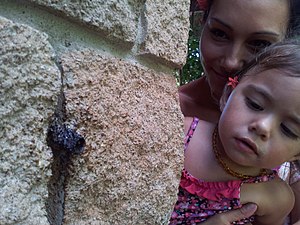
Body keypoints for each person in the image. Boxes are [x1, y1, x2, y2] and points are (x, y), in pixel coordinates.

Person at [179, 0, 300, 224]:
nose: (232, 62)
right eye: (219, 33)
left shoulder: (279, 189)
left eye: (260, 44)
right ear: (201, 24)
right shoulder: (168, 118)